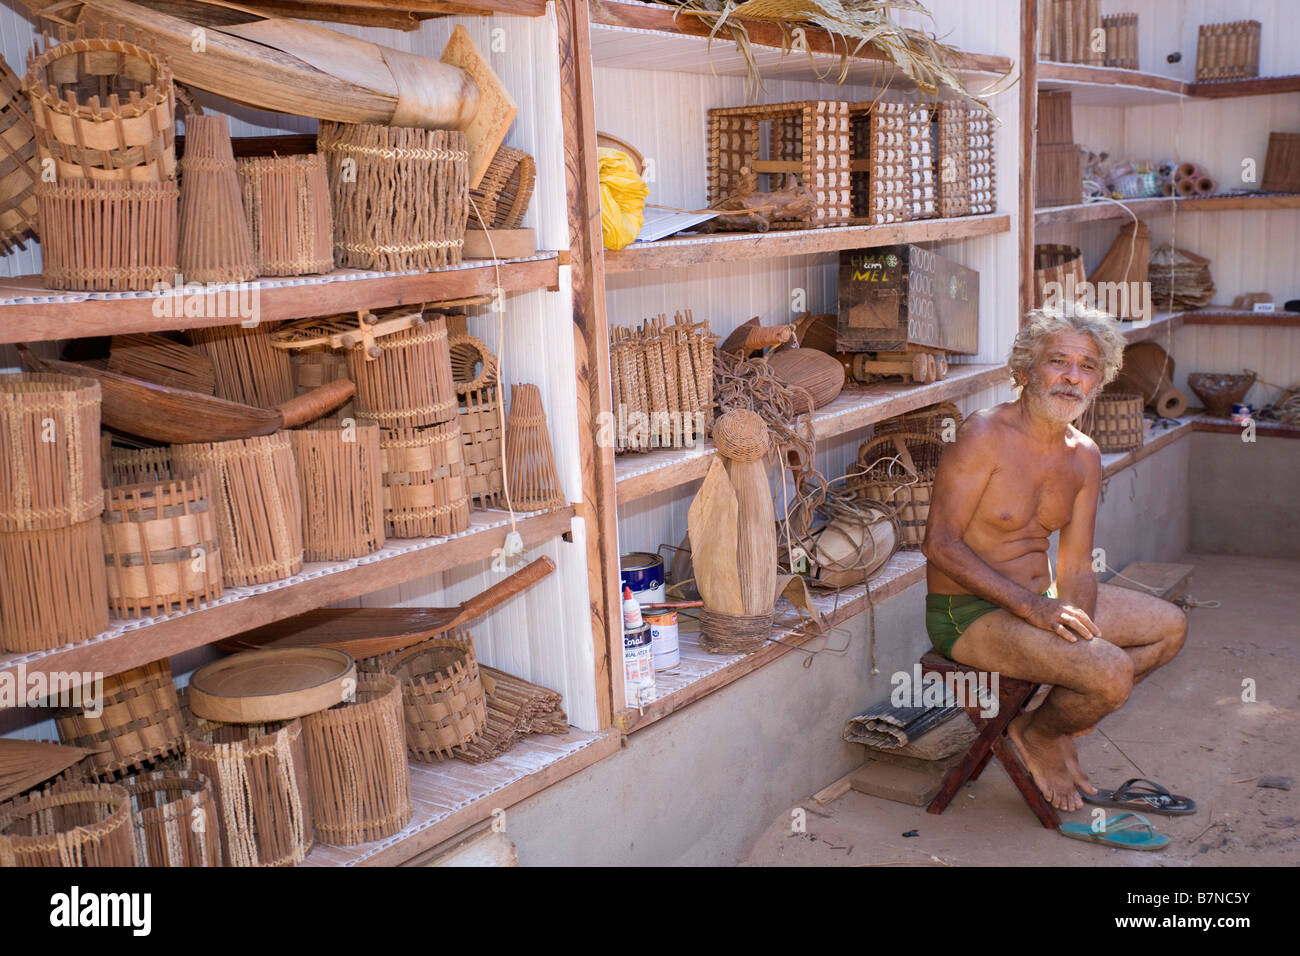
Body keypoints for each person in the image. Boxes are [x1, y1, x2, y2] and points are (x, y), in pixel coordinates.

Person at [921, 305, 1188, 812]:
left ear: (1098, 381)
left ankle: (1044, 725)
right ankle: (1042, 736)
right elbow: (940, 545)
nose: (1071, 377)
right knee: (1109, 673)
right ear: (1024, 369)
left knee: (1168, 627)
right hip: (969, 613)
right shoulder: (982, 435)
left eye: (1086, 367)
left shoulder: (1084, 454)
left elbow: (1076, 566)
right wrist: (1035, 610)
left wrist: (1077, 625)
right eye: (1057, 362)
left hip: (1039, 604)